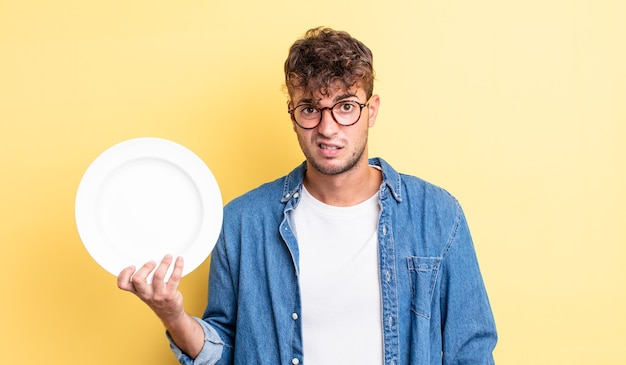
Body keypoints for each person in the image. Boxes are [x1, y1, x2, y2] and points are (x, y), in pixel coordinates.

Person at [118, 26, 497, 365]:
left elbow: (472, 353)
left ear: (372, 110)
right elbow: (227, 351)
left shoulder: (438, 215)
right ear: (292, 115)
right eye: (310, 109)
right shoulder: (241, 224)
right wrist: (172, 316)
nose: (328, 128)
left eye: (346, 106)